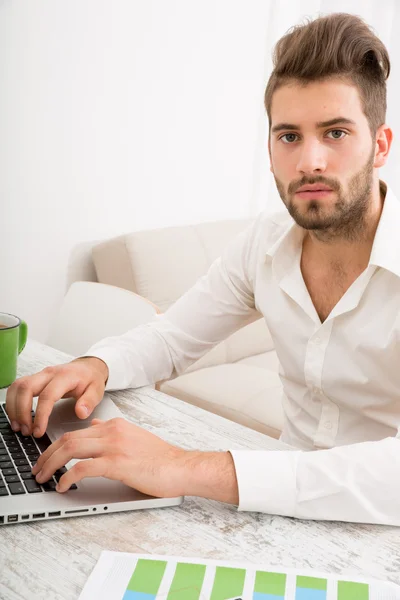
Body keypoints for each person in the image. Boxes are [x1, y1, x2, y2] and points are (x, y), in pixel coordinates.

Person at [6, 12, 399, 525]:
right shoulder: (265, 244)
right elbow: (170, 339)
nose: (310, 161)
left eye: (336, 133)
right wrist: (94, 367)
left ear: (380, 146)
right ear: (270, 148)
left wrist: (186, 466)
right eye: (289, 137)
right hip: (277, 516)